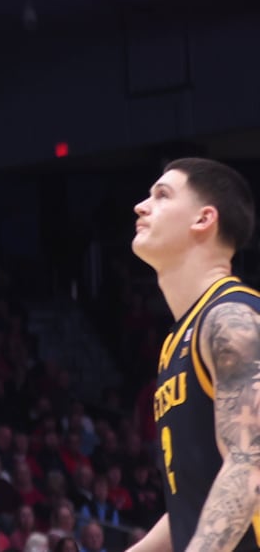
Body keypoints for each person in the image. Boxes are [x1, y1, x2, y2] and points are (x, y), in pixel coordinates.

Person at [130, 157, 259, 552]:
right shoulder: (177, 342)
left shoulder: (232, 318)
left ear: (203, 219)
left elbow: (251, 461)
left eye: (162, 195)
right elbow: (196, 503)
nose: (141, 206)